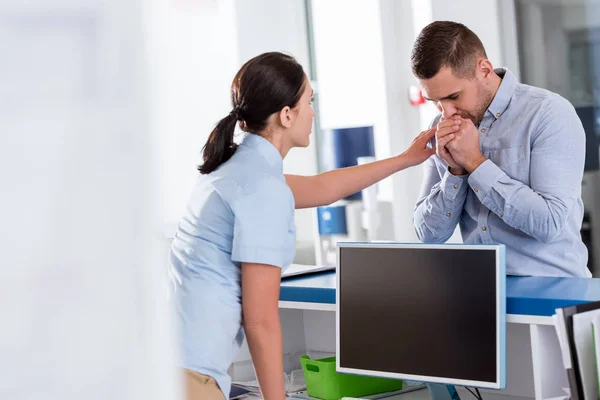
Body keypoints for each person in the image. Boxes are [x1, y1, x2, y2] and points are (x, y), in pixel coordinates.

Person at [168, 52, 436, 400]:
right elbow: (260, 321)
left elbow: (324, 188)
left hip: (171, 366)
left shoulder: (239, 170)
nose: (313, 111)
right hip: (192, 380)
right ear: (286, 115)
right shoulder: (261, 187)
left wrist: (405, 159)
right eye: (309, 101)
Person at [411, 21, 590, 278]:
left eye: (453, 97)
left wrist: (474, 162)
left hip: (553, 294)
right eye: (435, 102)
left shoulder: (548, 114)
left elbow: (549, 223)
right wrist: (456, 171)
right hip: (478, 295)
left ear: (484, 69)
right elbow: (428, 236)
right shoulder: (441, 127)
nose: (446, 112)